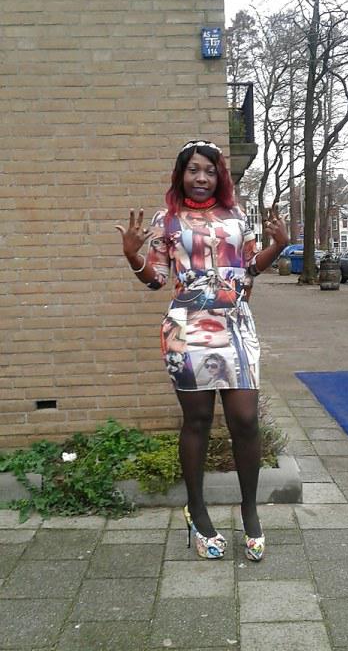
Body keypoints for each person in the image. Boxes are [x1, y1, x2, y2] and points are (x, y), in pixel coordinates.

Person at [116, 139, 288, 561]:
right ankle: (197, 511)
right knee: (197, 421)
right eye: (193, 169)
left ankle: (250, 510)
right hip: (187, 327)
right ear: (181, 174)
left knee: (245, 419)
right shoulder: (167, 220)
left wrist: (279, 245)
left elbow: (250, 268)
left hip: (235, 325)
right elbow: (157, 279)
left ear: (220, 176)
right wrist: (133, 257)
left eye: (209, 171)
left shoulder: (237, 216)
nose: (201, 177)